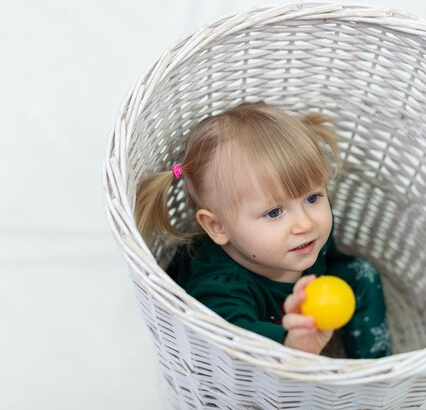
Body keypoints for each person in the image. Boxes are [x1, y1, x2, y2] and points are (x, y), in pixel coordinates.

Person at [134, 102, 391, 359]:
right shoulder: (220, 290)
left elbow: (332, 258)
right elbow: (232, 347)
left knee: (362, 273)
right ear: (218, 226)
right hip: (258, 344)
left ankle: (374, 372)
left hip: (305, 294)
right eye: (274, 212)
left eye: (312, 198)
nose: (305, 223)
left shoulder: (305, 235)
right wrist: (290, 346)